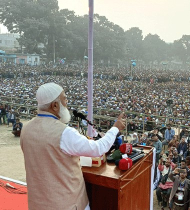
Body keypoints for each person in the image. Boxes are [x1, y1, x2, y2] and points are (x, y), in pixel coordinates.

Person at [20, 82, 126, 210]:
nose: (67, 102)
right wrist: (115, 128)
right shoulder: (64, 132)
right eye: (64, 98)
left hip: (37, 204)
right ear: (54, 105)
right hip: (68, 204)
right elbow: (98, 149)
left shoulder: (26, 129)